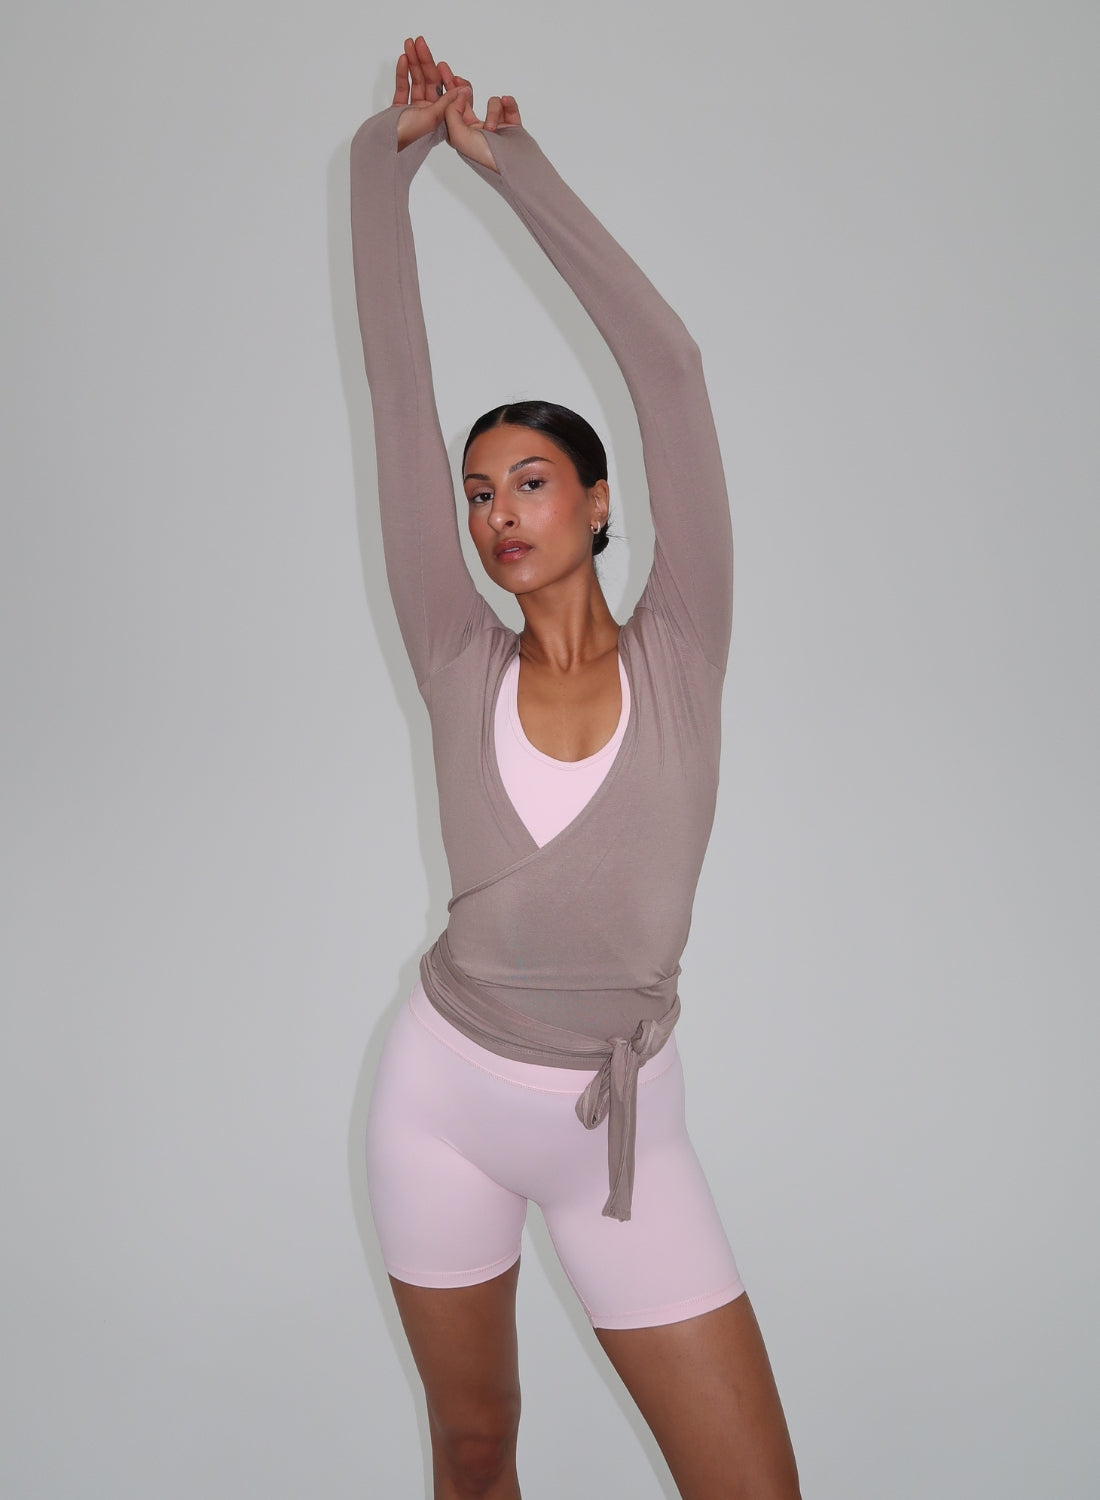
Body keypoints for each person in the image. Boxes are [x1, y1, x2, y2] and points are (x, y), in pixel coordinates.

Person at [349, 35, 801, 1500]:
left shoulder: (684, 644)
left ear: (602, 503)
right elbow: (395, 390)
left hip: (624, 1132)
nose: (498, 514)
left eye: (532, 482)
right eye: (479, 493)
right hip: (441, 1103)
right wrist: (380, 174)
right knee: (475, 1451)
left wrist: (512, 171)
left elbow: (670, 368)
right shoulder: (452, 653)